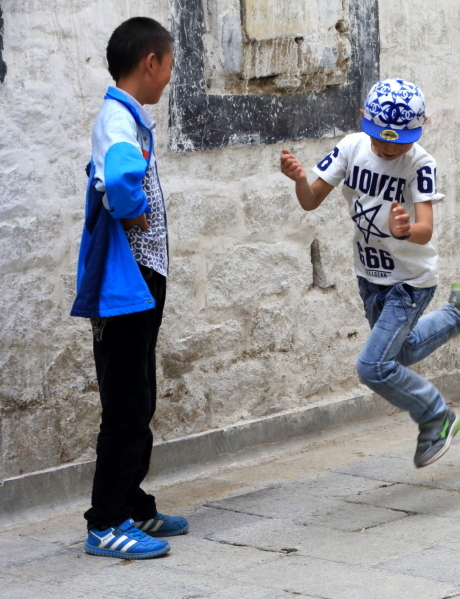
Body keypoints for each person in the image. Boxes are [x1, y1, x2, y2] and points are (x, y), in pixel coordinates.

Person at [280, 78, 460, 468]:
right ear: (364, 121)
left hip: (410, 282)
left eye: (398, 142)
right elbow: (310, 201)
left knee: (374, 367)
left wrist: (405, 229)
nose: (388, 149)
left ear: (417, 130)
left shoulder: (420, 163)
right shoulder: (351, 148)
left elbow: (425, 227)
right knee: (404, 351)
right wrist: (298, 180)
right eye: (380, 139)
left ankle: (436, 416)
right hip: (370, 277)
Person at [70, 16, 187, 559]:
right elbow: (118, 181)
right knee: (125, 402)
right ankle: (106, 521)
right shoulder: (118, 121)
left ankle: (133, 504)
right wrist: (133, 207)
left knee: (140, 396)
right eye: (167, 65)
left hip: (141, 281)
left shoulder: (129, 118)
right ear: (150, 63)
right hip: (126, 286)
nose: (168, 77)